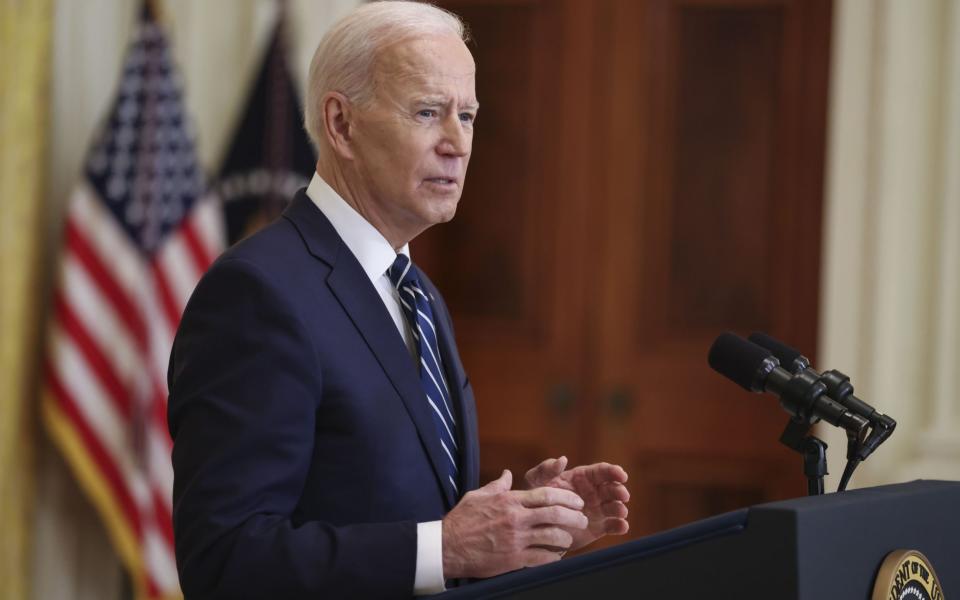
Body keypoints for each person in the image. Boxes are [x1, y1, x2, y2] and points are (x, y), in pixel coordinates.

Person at [167, 2, 630, 598]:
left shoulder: (418, 294)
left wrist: (519, 527)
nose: (457, 143)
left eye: (467, 115)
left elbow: (390, 509)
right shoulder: (258, 294)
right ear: (341, 125)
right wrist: (448, 545)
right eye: (428, 112)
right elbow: (223, 560)